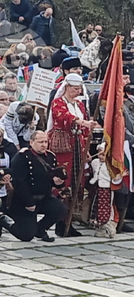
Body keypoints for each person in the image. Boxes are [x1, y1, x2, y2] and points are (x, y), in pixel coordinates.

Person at [0, 131, 67, 242]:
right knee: (26, 236)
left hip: (43, 197)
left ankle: (40, 229)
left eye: (46, 142)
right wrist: (29, 202)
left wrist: (58, 182)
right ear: (31, 142)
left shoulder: (50, 157)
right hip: (24, 200)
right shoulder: (22, 157)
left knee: (60, 209)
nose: (44, 145)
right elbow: (19, 182)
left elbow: (52, 178)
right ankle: (3, 219)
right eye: (40, 142)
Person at [48, 73, 94, 237]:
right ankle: (60, 221)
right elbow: (63, 117)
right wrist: (81, 122)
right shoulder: (58, 103)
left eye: (79, 89)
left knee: (77, 181)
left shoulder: (80, 105)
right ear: (67, 87)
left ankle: (70, 219)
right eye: (75, 88)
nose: (78, 91)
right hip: (64, 147)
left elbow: (85, 129)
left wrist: (86, 148)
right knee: (64, 180)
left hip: (78, 146)